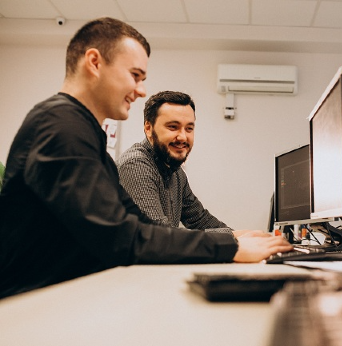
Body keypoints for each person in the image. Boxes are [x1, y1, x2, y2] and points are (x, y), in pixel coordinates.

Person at [0, 17, 292, 300]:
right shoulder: (61, 127)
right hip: (33, 304)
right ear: (94, 63)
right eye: (135, 76)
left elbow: (141, 227)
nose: (140, 91)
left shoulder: (82, 132)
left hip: (63, 296)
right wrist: (230, 246)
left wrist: (234, 239)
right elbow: (122, 238)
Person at [117, 91, 240, 235]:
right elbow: (159, 235)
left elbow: (200, 219)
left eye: (189, 128)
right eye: (173, 127)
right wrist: (233, 238)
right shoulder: (135, 165)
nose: (183, 137)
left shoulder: (176, 171)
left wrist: (243, 236)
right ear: (148, 129)